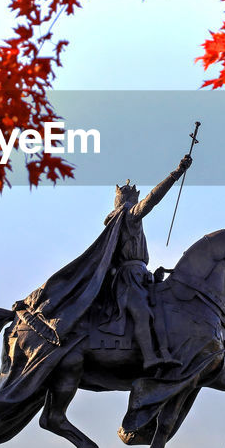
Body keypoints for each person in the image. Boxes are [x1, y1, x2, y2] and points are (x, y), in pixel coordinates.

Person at [16, 154, 193, 368]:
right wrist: (176, 174)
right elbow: (152, 199)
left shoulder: (123, 220)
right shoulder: (129, 215)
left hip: (141, 276)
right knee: (142, 311)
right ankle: (150, 358)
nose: (138, 204)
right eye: (136, 201)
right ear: (130, 202)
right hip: (127, 279)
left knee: (164, 306)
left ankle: (164, 351)